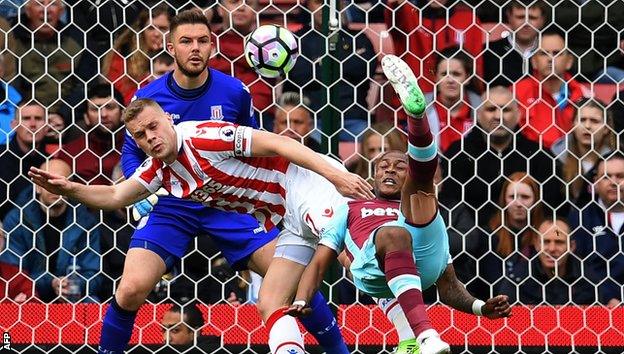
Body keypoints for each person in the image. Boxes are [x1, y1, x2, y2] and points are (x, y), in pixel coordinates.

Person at [29, 97, 373, 353]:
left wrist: (335, 175)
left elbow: (280, 142)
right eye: (141, 136)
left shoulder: (204, 137)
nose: (151, 137)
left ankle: (414, 331)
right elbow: (117, 195)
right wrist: (72, 190)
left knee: (355, 258)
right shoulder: (158, 169)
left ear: (167, 119)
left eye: (154, 127)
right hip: (287, 214)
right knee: (270, 301)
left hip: (306, 186)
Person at [117, 9, 352, 354]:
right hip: (175, 204)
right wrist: (137, 192)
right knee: (130, 289)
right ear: (170, 47)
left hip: (228, 202)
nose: (195, 48)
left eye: (202, 41)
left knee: (292, 279)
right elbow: (130, 153)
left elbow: (251, 144)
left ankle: (339, 351)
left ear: (212, 46)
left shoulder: (234, 92)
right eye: (186, 41)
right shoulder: (148, 99)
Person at [287, 55, 511, 354]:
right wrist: (302, 298)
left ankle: (416, 115)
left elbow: (448, 285)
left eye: (398, 166)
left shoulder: (424, 213)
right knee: (396, 230)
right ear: (373, 172)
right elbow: (319, 261)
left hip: (421, 258)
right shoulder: (351, 208)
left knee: (421, 190)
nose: (390, 169)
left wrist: (482, 307)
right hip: (373, 269)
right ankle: (426, 335)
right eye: (383, 165)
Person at [443, 85, 564, 225]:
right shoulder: (458, 153)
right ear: (478, 113)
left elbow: (551, 206)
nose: (498, 116)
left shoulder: (539, 156)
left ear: (519, 114)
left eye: (505, 110)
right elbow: (450, 205)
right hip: (474, 241)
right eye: (491, 109)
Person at [2, 159, 101, 303]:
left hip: (72, 296)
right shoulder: (17, 220)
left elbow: (94, 274)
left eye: (61, 182)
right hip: (30, 295)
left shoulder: (85, 222)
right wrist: (50, 282)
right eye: (48, 181)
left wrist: (74, 285)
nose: (55, 187)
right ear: (37, 187)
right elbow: (12, 272)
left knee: (92, 302)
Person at [515, 26, 589, 149]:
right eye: (543, 53)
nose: (550, 59)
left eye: (557, 53)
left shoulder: (585, 95)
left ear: (569, 61)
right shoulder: (516, 92)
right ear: (534, 61)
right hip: (531, 160)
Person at [496, 217, 596, 305]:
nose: (552, 249)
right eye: (546, 242)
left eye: (559, 242)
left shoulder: (587, 280)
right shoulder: (517, 279)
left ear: (571, 246)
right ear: (536, 245)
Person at [568, 152, 624, 307]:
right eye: (606, 176)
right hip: (593, 308)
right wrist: (605, 297)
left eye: (620, 176)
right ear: (595, 182)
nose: (613, 182)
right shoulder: (579, 219)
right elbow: (575, 268)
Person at [55, 82, 125, 185]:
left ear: (123, 114)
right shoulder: (70, 152)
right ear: (86, 118)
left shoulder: (136, 147)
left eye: (110, 107)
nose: (103, 114)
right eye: (95, 109)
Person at [103, 4, 171, 105]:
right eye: (151, 28)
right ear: (142, 31)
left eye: (163, 28)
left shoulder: (180, 55)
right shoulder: (124, 55)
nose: (156, 34)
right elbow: (121, 97)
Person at [551, 98, 615, 203]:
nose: (587, 126)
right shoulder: (555, 159)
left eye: (595, 121)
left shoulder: (616, 161)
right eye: (582, 120)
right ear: (573, 124)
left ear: (606, 128)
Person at [423, 47, 481, 152]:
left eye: (456, 74)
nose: (450, 80)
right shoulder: (420, 109)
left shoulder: (482, 110)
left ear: (467, 77)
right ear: (436, 78)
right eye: (444, 74)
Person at [0, 101, 49, 219]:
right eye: (26, 118)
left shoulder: (50, 164)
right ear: (14, 125)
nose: (33, 124)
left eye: (38, 118)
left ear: (47, 127)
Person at [482, 0, 547, 87]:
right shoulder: (489, 52)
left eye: (532, 18)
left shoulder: (551, 52)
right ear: (509, 17)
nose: (526, 23)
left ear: (542, 20)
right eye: (520, 17)